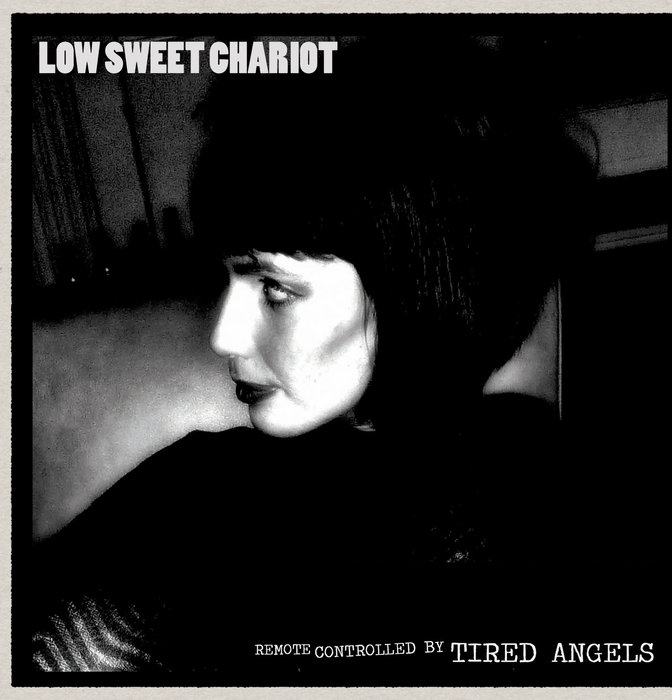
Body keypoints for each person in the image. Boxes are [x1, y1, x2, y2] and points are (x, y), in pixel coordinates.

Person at [28, 36, 593, 678]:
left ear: (416, 289)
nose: (224, 336)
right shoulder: (200, 490)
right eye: (229, 279)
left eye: (274, 288)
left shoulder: (532, 489)